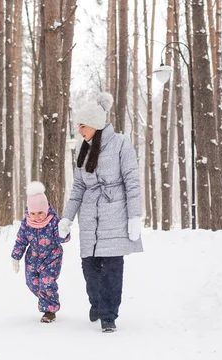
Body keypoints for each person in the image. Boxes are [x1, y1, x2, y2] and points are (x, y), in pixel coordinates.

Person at [58, 92, 143, 333]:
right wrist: (67, 217)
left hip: (115, 212)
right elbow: (77, 188)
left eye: (82, 125)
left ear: (95, 124)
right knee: (90, 267)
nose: (79, 130)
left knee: (112, 267)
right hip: (89, 216)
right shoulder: (82, 150)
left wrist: (134, 216)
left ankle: (108, 315)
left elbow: (132, 181)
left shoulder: (121, 144)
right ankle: (96, 302)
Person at [11, 181, 71, 323]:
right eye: (33, 213)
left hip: (52, 257)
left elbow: (64, 239)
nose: (36, 216)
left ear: (46, 209)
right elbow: (21, 240)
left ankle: (50, 310)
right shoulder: (26, 223)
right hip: (32, 258)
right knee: (32, 283)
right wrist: (15, 257)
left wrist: (64, 232)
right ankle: (47, 298)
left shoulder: (54, 222)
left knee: (46, 282)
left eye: (40, 213)